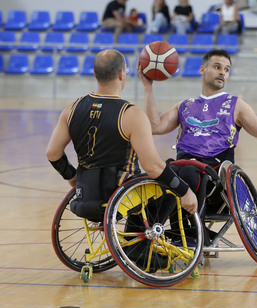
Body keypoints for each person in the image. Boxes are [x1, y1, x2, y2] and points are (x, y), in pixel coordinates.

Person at [46, 49, 197, 225]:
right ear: (121, 73)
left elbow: (52, 153)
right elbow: (153, 167)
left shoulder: (71, 109)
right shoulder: (132, 115)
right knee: (170, 179)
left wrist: (72, 177)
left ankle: (132, 244)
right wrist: (184, 191)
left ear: (95, 73)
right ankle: (140, 246)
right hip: (120, 197)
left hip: (85, 196)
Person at [139, 48, 257, 186]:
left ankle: (189, 228)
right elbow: (155, 126)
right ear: (202, 69)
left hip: (213, 170)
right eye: (217, 67)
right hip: (182, 165)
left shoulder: (236, 105)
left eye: (227, 70)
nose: (222, 73)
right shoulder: (184, 105)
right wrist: (148, 88)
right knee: (156, 175)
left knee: (187, 174)